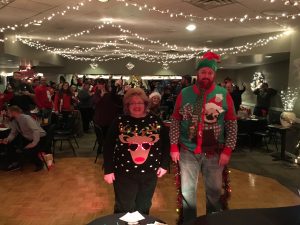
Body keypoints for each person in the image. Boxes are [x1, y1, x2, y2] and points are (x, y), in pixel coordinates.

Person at [169, 51, 237, 223]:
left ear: (214, 75)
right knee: (187, 192)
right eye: (203, 72)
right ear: (197, 74)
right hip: (187, 151)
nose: (206, 75)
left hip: (214, 152)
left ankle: (213, 221)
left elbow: (231, 124)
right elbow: (176, 120)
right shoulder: (185, 93)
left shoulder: (224, 94)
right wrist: (173, 146)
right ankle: (190, 222)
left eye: (210, 72)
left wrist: (228, 150)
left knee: (214, 192)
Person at [103, 87, 170, 215]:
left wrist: (164, 164)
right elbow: (108, 146)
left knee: (144, 206)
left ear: (145, 104)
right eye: (132, 103)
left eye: (139, 102)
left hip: (150, 173)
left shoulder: (155, 121)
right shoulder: (119, 121)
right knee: (124, 207)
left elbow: (166, 144)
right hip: (124, 173)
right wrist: (108, 170)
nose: (136, 106)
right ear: (127, 106)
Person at [0, 106, 47, 172]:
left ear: (14, 112)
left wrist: (33, 143)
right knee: (10, 144)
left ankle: (39, 163)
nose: (7, 114)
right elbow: (13, 132)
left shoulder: (26, 118)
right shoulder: (14, 121)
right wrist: (8, 139)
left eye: (8, 112)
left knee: (28, 150)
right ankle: (14, 163)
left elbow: (36, 131)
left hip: (40, 138)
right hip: (28, 138)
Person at [92, 79, 122, 154]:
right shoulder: (97, 94)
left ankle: (109, 149)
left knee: (111, 134)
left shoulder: (109, 94)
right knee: (103, 136)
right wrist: (101, 96)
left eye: (100, 84)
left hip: (108, 119)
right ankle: (104, 148)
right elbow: (97, 103)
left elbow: (116, 101)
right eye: (98, 84)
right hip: (100, 120)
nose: (98, 86)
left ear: (104, 85)